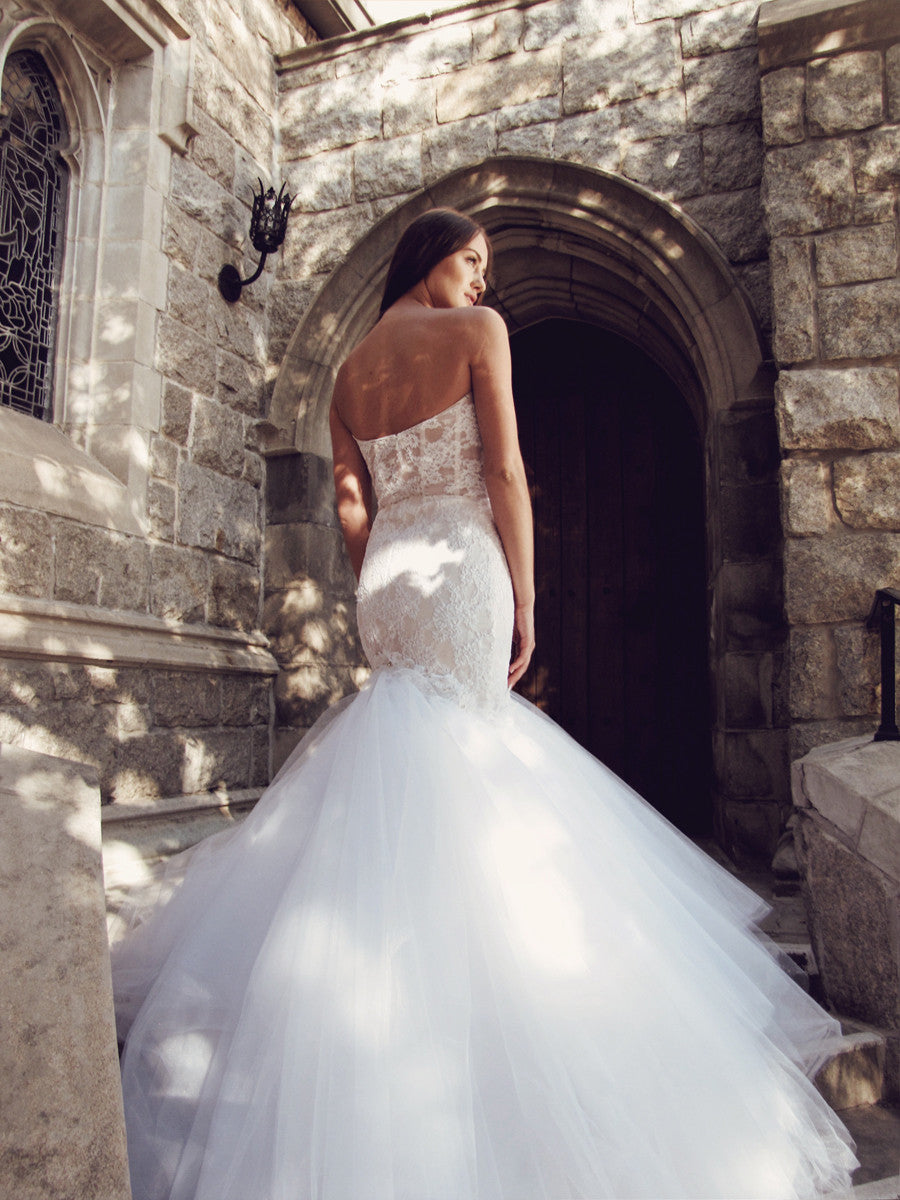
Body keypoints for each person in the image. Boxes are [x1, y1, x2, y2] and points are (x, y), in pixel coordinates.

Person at [111, 208, 857, 1200]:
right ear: (429, 260)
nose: (483, 283)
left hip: (387, 582)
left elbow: (350, 501)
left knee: (403, 759)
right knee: (471, 765)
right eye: (472, 261)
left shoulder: (346, 373)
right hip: (463, 563)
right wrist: (529, 596)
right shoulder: (476, 335)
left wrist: (374, 586)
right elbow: (503, 468)